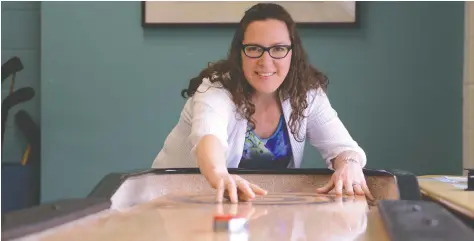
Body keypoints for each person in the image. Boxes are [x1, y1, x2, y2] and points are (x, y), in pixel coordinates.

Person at [152, 3, 373, 203]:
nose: (265, 62)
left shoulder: (306, 93)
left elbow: (343, 147)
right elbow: (208, 138)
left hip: (258, 210)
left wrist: (349, 164)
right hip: (174, 202)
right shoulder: (216, 89)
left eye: (278, 49)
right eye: (254, 49)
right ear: (240, 53)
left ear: (292, 53)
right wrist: (220, 174)